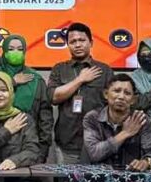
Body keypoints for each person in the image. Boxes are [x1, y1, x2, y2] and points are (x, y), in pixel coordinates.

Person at [48, 22, 113, 164]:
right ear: (68, 45)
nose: (77, 45)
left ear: (91, 43)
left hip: (98, 142)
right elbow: (53, 97)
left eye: (82, 40)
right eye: (72, 42)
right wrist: (80, 80)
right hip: (67, 142)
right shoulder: (59, 69)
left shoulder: (105, 70)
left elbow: (113, 105)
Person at [0, 34, 53, 160]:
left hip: (28, 146)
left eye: (20, 49)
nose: (16, 52)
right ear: (4, 52)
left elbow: (45, 116)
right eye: (11, 49)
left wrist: (42, 149)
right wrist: (11, 82)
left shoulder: (35, 79)